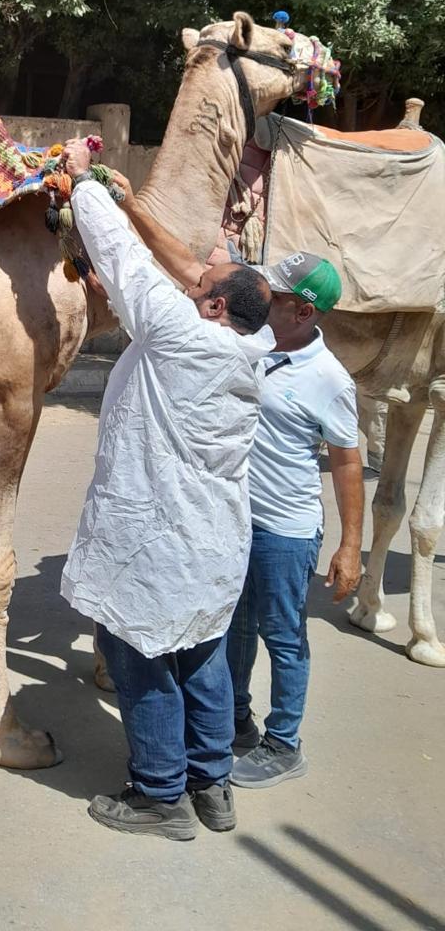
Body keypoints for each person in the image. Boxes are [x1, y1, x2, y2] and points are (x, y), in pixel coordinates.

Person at [60, 140, 274, 842]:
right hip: (212, 543)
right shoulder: (248, 346)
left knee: (138, 652)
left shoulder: (185, 334)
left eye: (201, 284)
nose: (189, 284)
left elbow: (124, 260)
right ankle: (212, 785)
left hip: (155, 540)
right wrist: (133, 205)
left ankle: (159, 795)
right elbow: (166, 283)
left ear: (215, 307)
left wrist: (84, 182)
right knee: (201, 656)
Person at [226, 250, 364, 789]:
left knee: (283, 636)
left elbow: (347, 463)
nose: (263, 299)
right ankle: (235, 718)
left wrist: (350, 547)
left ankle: (284, 744)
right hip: (236, 521)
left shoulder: (330, 379)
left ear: (304, 312)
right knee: (235, 626)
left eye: (276, 296)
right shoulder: (256, 343)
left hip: (285, 530)